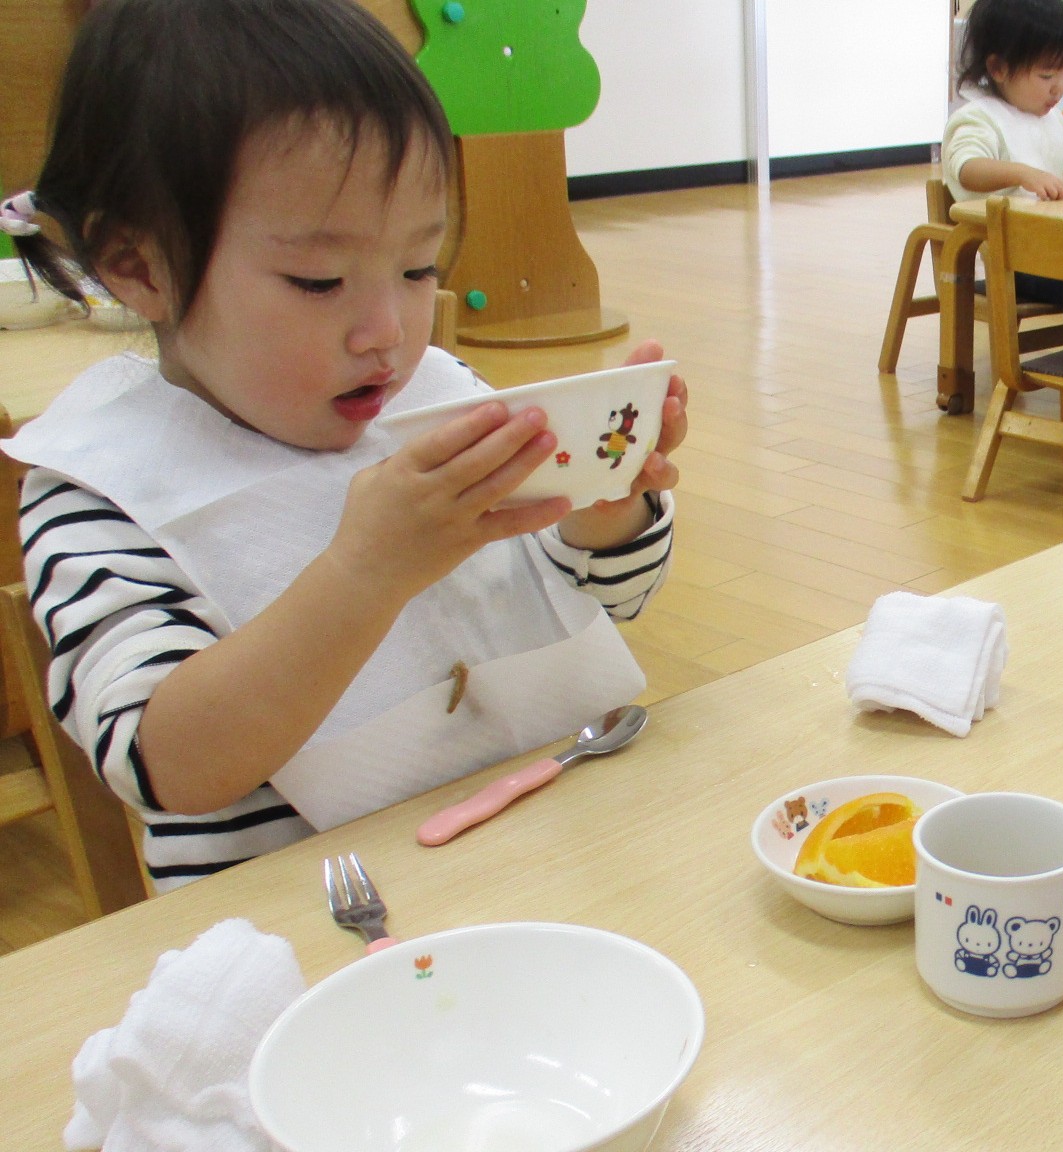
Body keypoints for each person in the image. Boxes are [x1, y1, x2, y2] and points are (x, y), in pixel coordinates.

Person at [1, 0, 687, 889]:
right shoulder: (99, 492)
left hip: (558, 852)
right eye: (319, 280)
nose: (387, 331)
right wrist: (366, 573)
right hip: (324, 919)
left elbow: (612, 596)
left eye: (418, 268)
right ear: (140, 268)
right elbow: (168, 767)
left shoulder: (437, 395)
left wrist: (606, 501)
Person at [942, 0, 1063, 309]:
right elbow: (967, 168)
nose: (1059, 87)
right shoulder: (980, 117)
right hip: (1016, 262)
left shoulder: (1055, 120)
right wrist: (1023, 174)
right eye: (1047, 76)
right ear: (999, 68)